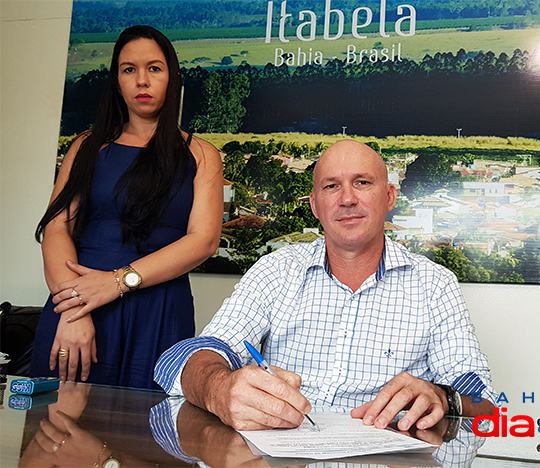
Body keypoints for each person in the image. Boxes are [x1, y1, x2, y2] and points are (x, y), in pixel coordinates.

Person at [155, 140, 496, 430]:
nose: (347, 199)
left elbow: (488, 405)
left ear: (389, 197)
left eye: (362, 182)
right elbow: (189, 358)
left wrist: (443, 396)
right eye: (331, 186)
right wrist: (219, 387)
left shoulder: (435, 285)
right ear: (315, 205)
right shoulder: (278, 270)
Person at [30, 25, 223, 390]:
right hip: (79, 303)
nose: (142, 81)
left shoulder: (201, 154)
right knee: (56, 436)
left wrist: (117, 282)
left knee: (148, 437)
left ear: (172, 77)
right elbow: (56, 230)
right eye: (128, 69)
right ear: (117, 80)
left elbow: (203, 241)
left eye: (154, 68)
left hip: (160, 312)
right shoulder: (87, 146)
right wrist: (74, 308)